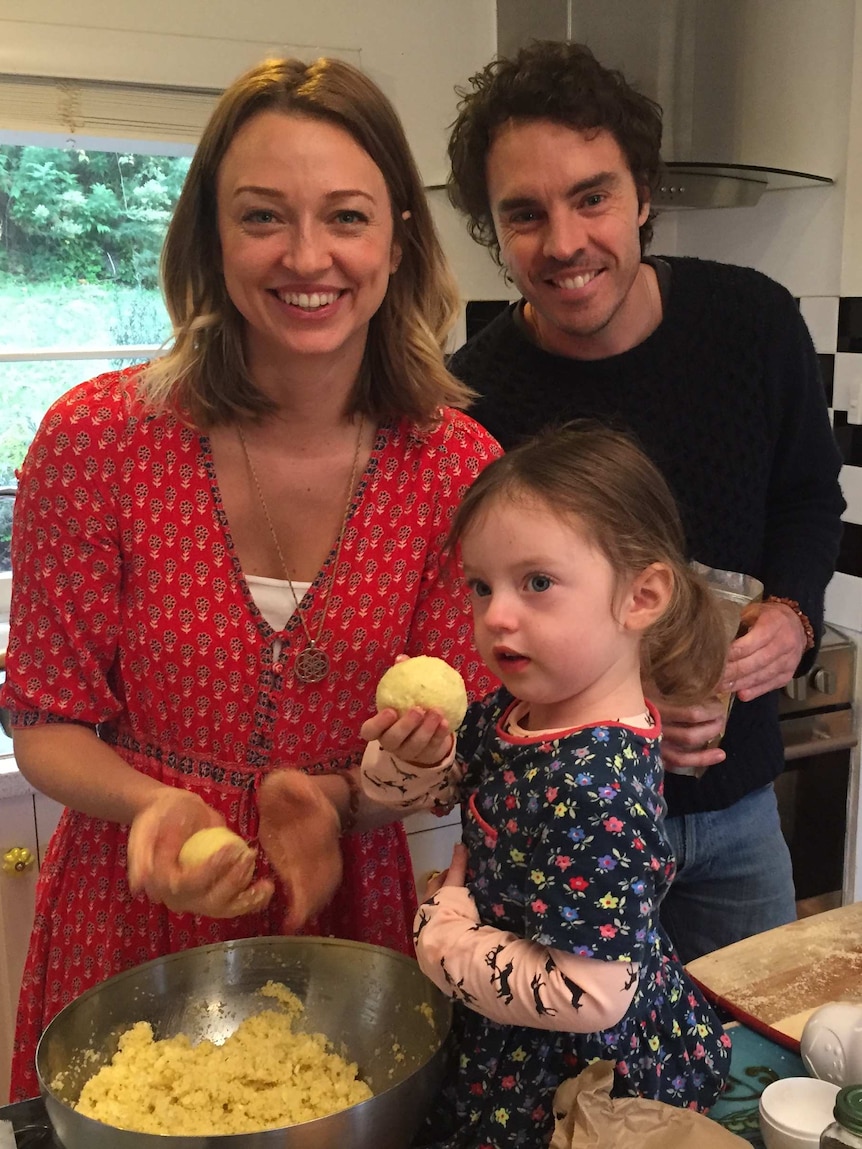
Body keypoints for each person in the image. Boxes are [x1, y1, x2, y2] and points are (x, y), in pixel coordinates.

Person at [1, 55, 501, 1102]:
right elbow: (44, 720)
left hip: (343, 925)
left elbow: (457, 750)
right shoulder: (95, 441)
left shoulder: (455, 470)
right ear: (210, 241)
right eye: (263, 216)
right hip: (127, 908)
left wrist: (342, 798)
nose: (307, 256)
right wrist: (157, 810)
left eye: (347, 217)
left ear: (399, 236)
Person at [444, 40, 846, 964]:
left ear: (644, 194)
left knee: (749, 1075)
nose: (565, 241)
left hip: (739, 817)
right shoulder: (475, 402)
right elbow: (477, 629)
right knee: (570, 1085)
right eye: (525, 214)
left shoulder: (754, 323)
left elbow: (808, 498)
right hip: (564, 836)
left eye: (593, 195)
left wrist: (793, 612)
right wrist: (615, 735)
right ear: (494, 233)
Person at [360, 422, 732, 1149]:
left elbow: (587, 993)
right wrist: (406, 759)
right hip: (509, 1030)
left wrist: (445, 938)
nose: (496, 613)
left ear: (641, 595)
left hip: (577, 1083)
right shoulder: (521, 708)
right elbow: (440, 786)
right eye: (482, 585)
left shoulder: (596, 784)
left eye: (537, 582)